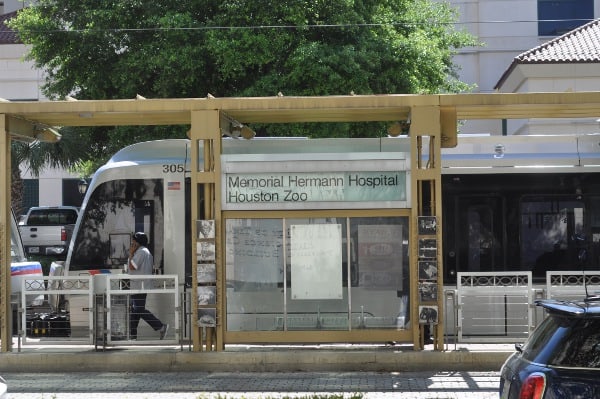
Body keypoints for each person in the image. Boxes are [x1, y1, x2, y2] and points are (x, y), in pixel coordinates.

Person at [128, 232, 168, 340]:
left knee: (138, 310)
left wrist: (131, 253)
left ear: (138, 242)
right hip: (139, 286)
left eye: (134, 241)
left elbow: (132, 267)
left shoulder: (141, 252)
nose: (132, 243)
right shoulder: (145, 252)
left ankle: (160, 326)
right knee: (134, 311)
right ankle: (132, 336)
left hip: (139, 286)